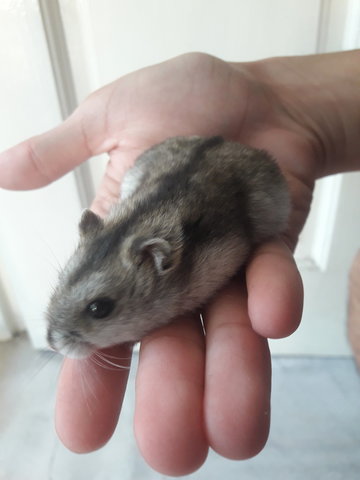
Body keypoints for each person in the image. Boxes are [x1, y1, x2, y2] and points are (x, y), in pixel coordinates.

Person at [0, 50, 359, 476]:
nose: (58, 340)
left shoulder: (188, 259)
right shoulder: (129, 236)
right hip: (170, 166)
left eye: (99, 308)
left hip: (228, 188)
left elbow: (230, 245)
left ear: (157, 260)